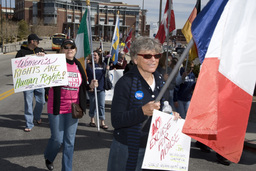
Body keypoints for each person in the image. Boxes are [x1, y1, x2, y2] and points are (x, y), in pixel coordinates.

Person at [107, 37, 180, 171]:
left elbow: (165, 105)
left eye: (157, 55)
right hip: (127, 147)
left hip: (154, 148)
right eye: (147, 56)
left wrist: (171, 114)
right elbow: (116, 121)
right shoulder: (125, 83)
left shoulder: (160, 81)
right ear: (135, 59)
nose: (153, 59)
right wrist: (142, 112)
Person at [44, 39, 98, 171]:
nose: (69, 49)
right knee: (57, 140)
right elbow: (41, 74)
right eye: (66, 47)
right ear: (61, 50)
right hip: (56, 107)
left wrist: (90, 85)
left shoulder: (79, 66)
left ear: (75, 50)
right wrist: (40, 56)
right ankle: (49, 157)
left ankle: (66, 169)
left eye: (72, 47)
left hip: (73, 109)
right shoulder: (54, 64)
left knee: (69, 142)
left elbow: (83, 85)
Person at [15, 34, 46, 132]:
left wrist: (43, 55)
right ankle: (29, 123)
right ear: (32, 41)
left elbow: (47, 64)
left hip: (39, 82)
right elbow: (16, 67)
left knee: (41, 101)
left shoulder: (40, 50)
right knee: (28, 103)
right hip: (27, 83)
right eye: (37, 41)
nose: (38, 43)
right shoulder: (21, 52)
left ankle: (37, 117)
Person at [86, 50, 109, 129]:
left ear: (99, 56)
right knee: (92, 105)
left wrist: (107, 69)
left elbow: (105, 75)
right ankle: (92, 120)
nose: (94, 57)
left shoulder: (103, 65)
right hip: (92, 89)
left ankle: (102, 122)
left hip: (101, 88)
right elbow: (88, 76)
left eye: (95, 55)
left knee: (101, 105)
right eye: (93, 55)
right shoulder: (89, 65)